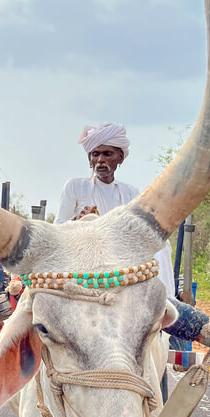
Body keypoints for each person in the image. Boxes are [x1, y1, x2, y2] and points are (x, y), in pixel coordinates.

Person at [54, 122, 175, 297]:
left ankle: (165, 303)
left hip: (121, 255)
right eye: (95, 154)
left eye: (107, 154)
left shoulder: (130, 192)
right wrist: (77, 221)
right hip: (86, 254)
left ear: (120, 158)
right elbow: (57, 227)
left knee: (161, 245)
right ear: (89, 159)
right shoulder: (75, 186)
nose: (100, 160)